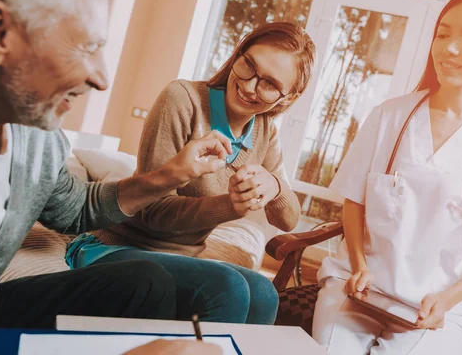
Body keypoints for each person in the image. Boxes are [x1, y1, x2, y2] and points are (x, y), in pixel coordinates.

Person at [0, 0, 231, 353]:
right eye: (87, 47)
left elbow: (73, 209)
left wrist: (169, 175)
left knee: (145, 281)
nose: (100, 78)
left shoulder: (36, 139)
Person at [312, 0, 462, 354]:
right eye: (443, 33)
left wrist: (449, 299)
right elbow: (354, 202)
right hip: (358, 288)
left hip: (442, 307)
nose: (449, 48)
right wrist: (358, 264)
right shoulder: (389, 116)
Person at [65, 22, 316, 324]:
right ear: (239, 54)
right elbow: (151, 210)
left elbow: (288, 219)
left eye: (269, 84)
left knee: (264, 292)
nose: (249, 86)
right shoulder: (183, 100)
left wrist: (275, 185)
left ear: (286, 99)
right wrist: (227, 207)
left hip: (181, 257)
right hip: (117, 247)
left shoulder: (264, 132)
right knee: (229, 288)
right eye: (249, 65)